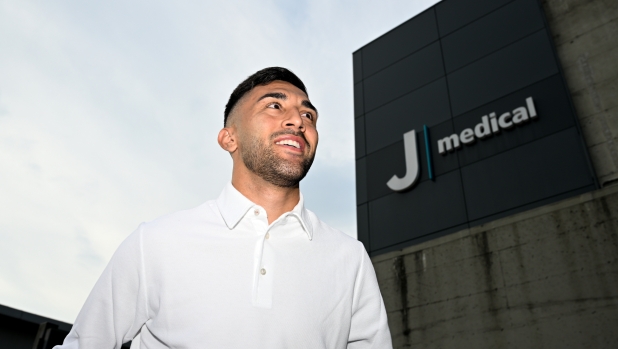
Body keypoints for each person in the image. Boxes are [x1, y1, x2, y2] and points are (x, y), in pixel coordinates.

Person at [54, 67, 392, 349]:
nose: (297, 121)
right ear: (229, 138)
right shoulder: (156, 242)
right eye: (275, 106)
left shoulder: (349, 258)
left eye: (308, 114)